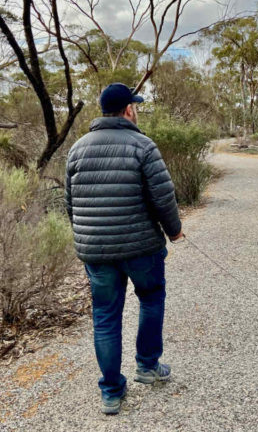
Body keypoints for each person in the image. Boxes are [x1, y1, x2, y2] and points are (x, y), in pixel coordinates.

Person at [64, 83, 183, 415]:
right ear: (129, 109)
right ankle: (147, 366)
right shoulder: (143, 146)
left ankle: (112, 392)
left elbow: (70, 205)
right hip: (141, 248)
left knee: (105, 316)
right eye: (135, 106)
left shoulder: (77, 148)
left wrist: (90, 236)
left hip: (97, 253)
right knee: (151, 298)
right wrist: (174, 232)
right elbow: (164, 197)